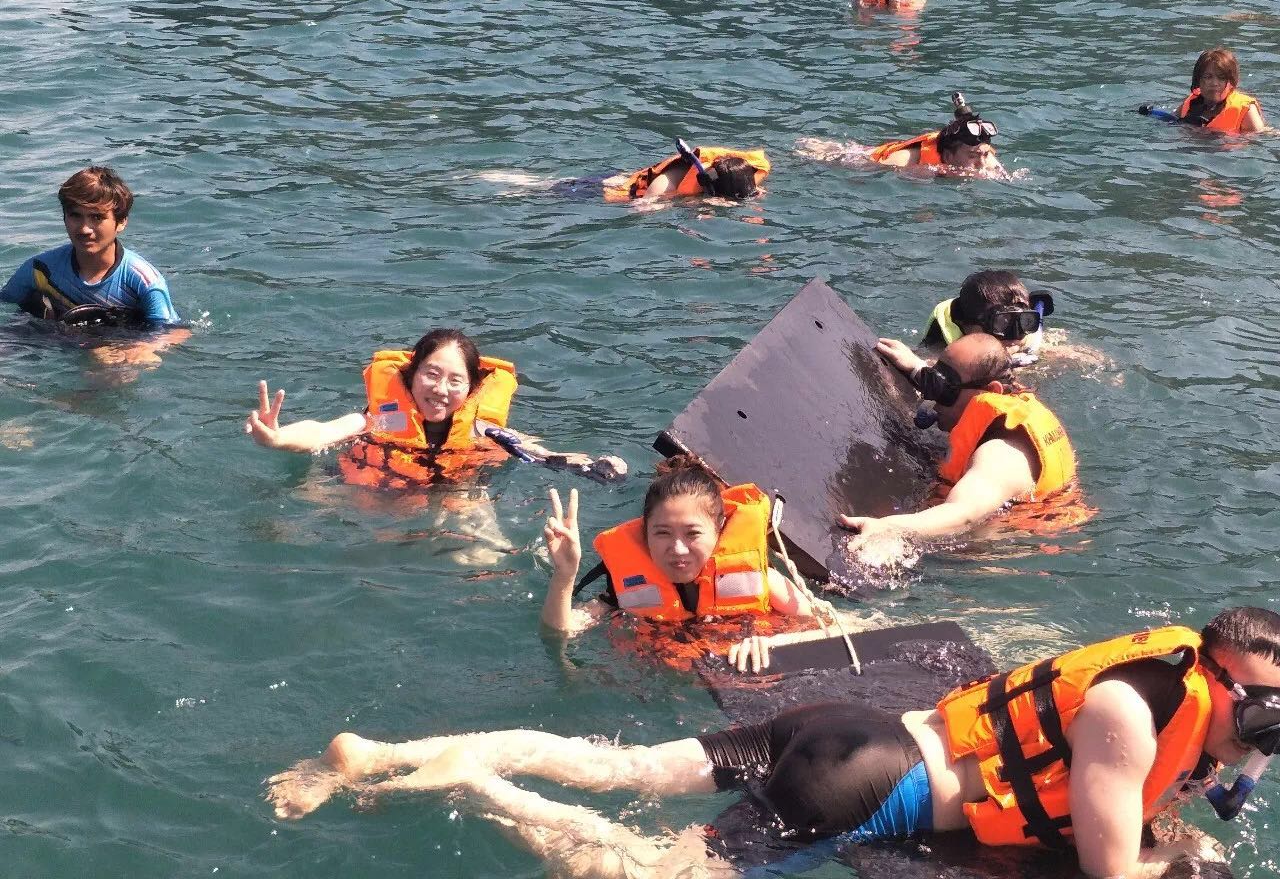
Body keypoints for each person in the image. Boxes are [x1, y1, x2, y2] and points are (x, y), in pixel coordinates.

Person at [265, 606, 1280, 879]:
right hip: (864, 783)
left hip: (844, 732)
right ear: (1224, 675)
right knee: (643, 874)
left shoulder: (1195, 696)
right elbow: (1108, 869)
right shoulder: (1128, 710)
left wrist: (1219, 775)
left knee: (622, 768)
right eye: (1268, 713)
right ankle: (473, 782)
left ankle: (376, 754)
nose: (1269, 734)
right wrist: (1181, 856)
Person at [244, 328, 625, 487]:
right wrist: (277, 438)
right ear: (411, 377)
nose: (441, 390)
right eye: (431, 374)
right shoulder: (377, 418)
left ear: (472, 388)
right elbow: (324, 431)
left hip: (447, 498)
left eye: (455, 380)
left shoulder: (482, 430)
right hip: (368, 495)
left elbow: (539, 453)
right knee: (306, 499)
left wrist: (591, 465)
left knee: (482, 550)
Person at [541, 456, 815, 669]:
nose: (678, 549)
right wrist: (565, 575)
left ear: (719, 528)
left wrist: (773, 642)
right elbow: (561, 632)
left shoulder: (763, 581)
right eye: (662, 533)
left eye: (693, 533)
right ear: (645, 533)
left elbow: (826, 628)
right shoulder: (623, 589)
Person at [838, 332, 1076, 555]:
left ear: (990, 391)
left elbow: (964, 515)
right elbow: (963, 383)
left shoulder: (1002, 454)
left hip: (1004, 549)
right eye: (934, 380)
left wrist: (889, 528)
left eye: (944, 389)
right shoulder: (1007, 394)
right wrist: (917, 369)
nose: (933, 398)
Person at [0, 166, 187, 364]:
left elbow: (175, 332)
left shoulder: (143, 281)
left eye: (97, 217)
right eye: (75, 215)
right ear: (64, 217)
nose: (84, 229)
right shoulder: (39, 269)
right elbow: (4, 305)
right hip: (48, 342)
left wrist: (139, 349)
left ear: (121, 222)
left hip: (114, 347)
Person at [921, 269, 1053, 364]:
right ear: (964, 324)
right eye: (1002, 323)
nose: (1014, 335)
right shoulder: (935, 358)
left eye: (1024, 322)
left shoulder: (1026, 341)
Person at [868, 93, 1005, 175]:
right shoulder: (903, 161)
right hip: (868, 157)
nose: (982, 164)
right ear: (948, 156)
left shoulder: (983, 157)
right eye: (972, 156)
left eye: (985, 154)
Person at [601, 143, 769, 203]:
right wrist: (701, 203)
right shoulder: (665, 185)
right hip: (615, 189)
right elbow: (641, 209)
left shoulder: (734, 172)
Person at [1176, 49, 1266, 134]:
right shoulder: (1190, 103)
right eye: (1208, 77)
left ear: (1231, 82)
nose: (1214, 83)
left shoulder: (1246, 111)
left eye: (1222, 78)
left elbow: (1260, 138)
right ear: (1198, 80)